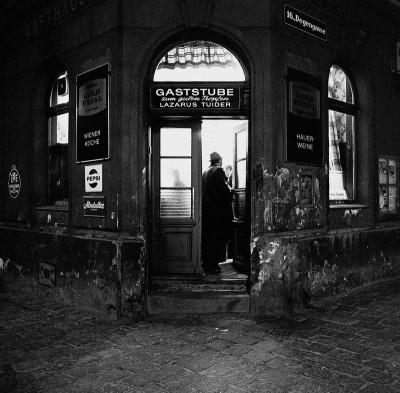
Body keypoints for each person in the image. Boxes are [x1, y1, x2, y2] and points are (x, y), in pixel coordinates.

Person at [202, 152, 234, 274]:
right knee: (216, 240)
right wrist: (231, 192)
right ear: (220, 160)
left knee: (208, 240)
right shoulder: (218, 171)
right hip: (216, 213)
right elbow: (224, 190)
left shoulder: (206, 172)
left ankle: (207, 265)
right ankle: (213, 266)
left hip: (206, 211)